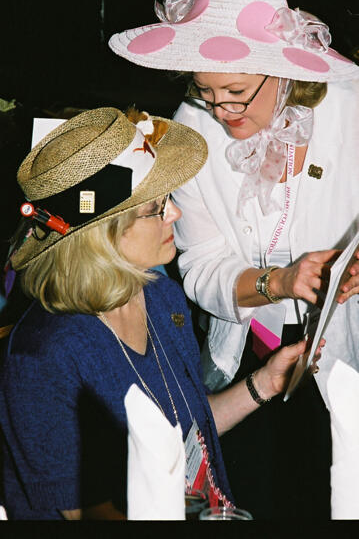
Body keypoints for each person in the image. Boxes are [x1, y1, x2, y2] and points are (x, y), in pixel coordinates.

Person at [0, 106, 321, 520]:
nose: (176, 214)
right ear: (100, 238)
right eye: (155, 209)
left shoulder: (161, 298)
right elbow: (86, 514)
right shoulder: (44, 358)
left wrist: (265, 383)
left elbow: (186, 428)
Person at [108, 0, 359, 519]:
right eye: (206, 91)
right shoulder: (191, 126)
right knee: (259, 491)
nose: (222, 111)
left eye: (237, 92)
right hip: (253, 346)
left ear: (281, 71)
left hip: (350, 341)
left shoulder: (349, 107)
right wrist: (279, 282)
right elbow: (199, 267)